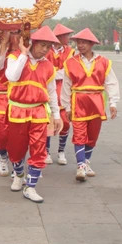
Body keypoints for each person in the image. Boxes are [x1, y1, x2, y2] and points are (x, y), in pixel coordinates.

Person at [5, 26, 63, 202]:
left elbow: (52, 92)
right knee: (16, 148)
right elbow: (12, 76)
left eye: (48, 46)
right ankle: (18, 173)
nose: (45, 49)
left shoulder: (49, 66)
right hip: (17, 110)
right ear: (32, 43)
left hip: (39, 111)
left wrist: (57, 114)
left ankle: (31, 186)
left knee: (39, 150)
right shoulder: (15, 57)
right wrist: (23, 53)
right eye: (42, 45)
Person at [61, 28, 119, 182]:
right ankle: (80, 166)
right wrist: (66, 106)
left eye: (84, 42)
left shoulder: (104, 62)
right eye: (78, 42)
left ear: (92, 44)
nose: (80, 45)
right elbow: (66, 85)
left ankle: (86, 162)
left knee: (92, 135)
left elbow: (111, 83)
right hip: (78, 101)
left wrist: (113, 102)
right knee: (79, 134)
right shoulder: (70, 63)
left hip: (96, 102)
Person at [0, 30, 21, 176]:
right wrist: (4, 44)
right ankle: (2, 156)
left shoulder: (26, 53)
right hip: (2, 97)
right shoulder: (0, 52)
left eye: (17, 33)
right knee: (1, 132)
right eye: (11, 33)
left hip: (19, 97)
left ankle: (17, 164)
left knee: (18, 133)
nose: (14, 36)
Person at [47, 23, 75, 165]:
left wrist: (54, 73)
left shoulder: (70, 51)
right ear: (59, 37)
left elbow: (70, 71)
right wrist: (58, 73)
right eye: (66, 36)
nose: (68, 38)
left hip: (64, 89)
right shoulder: (46, 50)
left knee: (65, 122)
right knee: (48, 121)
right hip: (49, 89)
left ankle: (61, 151)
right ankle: (46, 151)